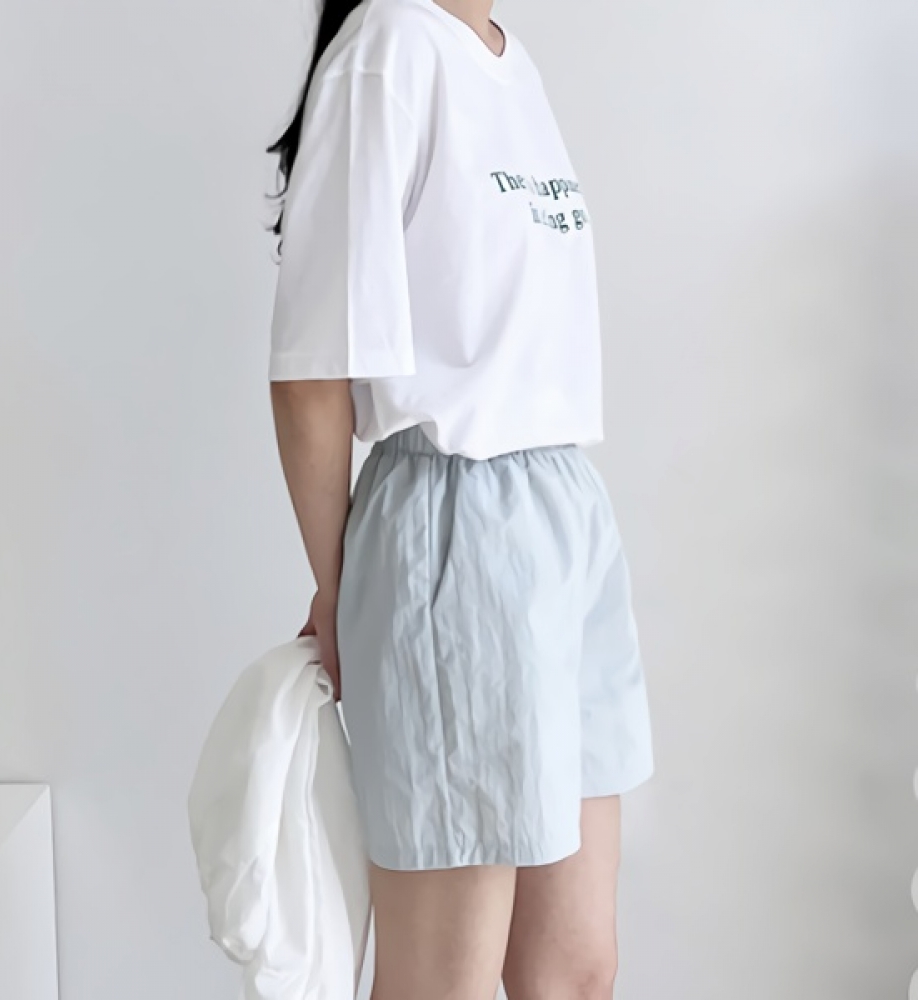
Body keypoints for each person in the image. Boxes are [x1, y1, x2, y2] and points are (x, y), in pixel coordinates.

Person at [266, 1, 654, 997]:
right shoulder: (389, 49)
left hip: (565, 515)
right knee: (444, 982)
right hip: (455, 524)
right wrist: (340, 588)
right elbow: (312, 372)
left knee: (574, 972)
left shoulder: (509, 62)